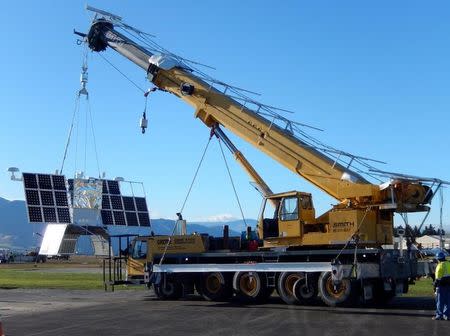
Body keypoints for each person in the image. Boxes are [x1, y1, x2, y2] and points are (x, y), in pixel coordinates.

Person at [433, 251, 450, 320]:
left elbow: (438, 279)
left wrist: (434, 285)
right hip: (449, 285)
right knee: (448, 301)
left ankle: (439, 315)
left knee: (440, 301)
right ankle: (446, 315)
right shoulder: (449, 264)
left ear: (438, 259)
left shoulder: (439, 266)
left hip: (441, 286)